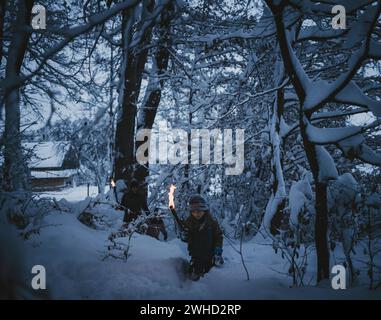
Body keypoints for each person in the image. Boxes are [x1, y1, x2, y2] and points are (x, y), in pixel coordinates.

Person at [182, 194, 224, 281]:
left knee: (211, 276)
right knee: (194, 275)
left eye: (199, 211)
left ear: (204, 210)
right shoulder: (189, 222)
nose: (196, 213)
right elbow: (187, 238)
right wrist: (185, 236)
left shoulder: (211, 222)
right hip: (196, 255)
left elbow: (218, 236)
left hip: (210, 255)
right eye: (193, 211)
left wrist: (217, 251)